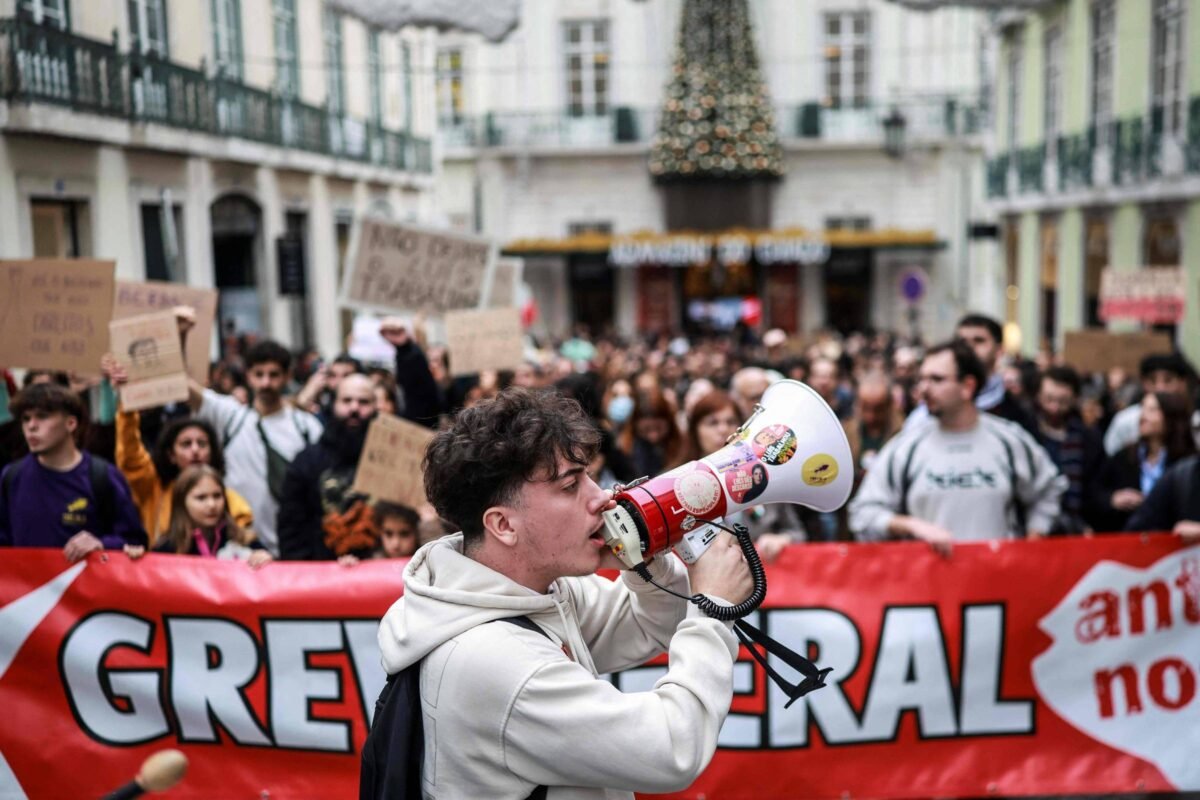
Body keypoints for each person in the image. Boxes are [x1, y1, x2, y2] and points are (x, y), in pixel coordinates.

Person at [376, 388, 752, 798]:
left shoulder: (521, 589)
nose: (603, 495)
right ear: (503, 525)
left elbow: (648, 625)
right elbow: (671, 749)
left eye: (588, 475)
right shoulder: (499, 662)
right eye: (571, 486)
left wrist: (643, 558)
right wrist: (713, 611)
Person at [849, 340, 1066, 555]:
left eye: (936, 379)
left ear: (967, 386)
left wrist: (1034, 538)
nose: (924, 388)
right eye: (922, 379)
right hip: (928, 584)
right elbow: (863, 515)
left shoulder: (1008, 440)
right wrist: (911, 525)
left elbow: (1050, 489)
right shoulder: (907, 447)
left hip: (998, 583)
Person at [189, 339, 323, 557]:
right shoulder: (231, 417)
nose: (265, 383)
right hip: (242, 548)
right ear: (248, 376)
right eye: (258, 374)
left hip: (295, 549)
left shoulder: (306, 427)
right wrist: (181, 334)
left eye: (274, 375)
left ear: (287, 376)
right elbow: (186, 389)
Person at [102, 354, 253, 544]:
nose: (195, 450)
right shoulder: (154, 489)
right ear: (171, 455)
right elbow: (130, 455)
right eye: (186, 444)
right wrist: (127, 403)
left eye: (202, 443)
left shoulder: (230, 500)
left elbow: (245, 542)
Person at [0, 383, 146, 559]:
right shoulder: (11, 476)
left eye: (42, 417)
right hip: (29, 586)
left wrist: (102, 544)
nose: (31, 426)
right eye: (26, 418)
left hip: (87, 585)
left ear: (70, 423)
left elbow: (135, 541)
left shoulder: (103, 476)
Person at [277, 373, 379, 560]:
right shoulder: (306, 461)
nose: (354, 408)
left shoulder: (388, 461)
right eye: (346, 400)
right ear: (333, 405)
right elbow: (291, 530)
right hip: (322, 578)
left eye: (363, 402)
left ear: (375, 408)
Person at [904, 314, 1037, 435]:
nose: (969, 347)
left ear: (999, 350)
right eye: (962, 341)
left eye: (978, 341)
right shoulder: (926, 413)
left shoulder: (1016, 414)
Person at [1091, 391, 1196, 532]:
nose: (1143, 416)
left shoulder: (1187, 464)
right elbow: (1095, 493)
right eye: (1143, 408)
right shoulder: (1124, 456)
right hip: (1131, 541)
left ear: (1170, 416)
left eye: (1152, 410)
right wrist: (1112, 499)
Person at [146, 465, 271, 567]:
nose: (212, 505)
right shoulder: (166, 549)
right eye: (201, 498)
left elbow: (273, 575)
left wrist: (264, 559)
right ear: (182, 503)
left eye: (217, 496)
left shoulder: (245, 540)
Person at [1033, 366, 1104, 534]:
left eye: (1062, 401)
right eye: (1048, 399)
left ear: (1074, 400)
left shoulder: (1088, 438)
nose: (1054, 408)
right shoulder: (1026, 433)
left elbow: (1095, 487)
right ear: (1038, 396)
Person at [1102, 353, 1194, 456]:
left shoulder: (1194, 420)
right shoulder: (1125, 421)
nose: (1160, 388)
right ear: (1143, 383)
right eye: (1152, 381)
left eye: (1168, 380)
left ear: (1182, 383)